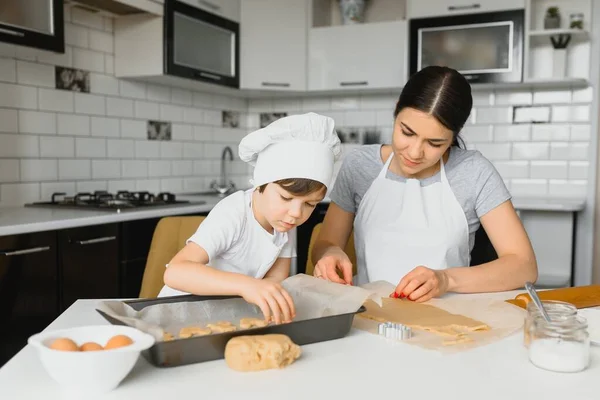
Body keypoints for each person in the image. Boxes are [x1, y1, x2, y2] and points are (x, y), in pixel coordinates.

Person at [310, 66, 538, 303]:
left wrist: (446, 280)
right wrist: (330, 253)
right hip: (370, 316)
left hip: (448, 320)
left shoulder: (473, 172)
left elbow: (524, 266)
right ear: (397, 110)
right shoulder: (359, 166)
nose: (415, 152)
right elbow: (325, 243)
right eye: (407, 132)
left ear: (453, 137)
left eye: (435, 143)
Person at [159, 112, 342, 324]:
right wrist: (247, 285)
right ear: (261, 183)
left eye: (310, 204)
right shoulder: (234, 213)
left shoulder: (284, 222)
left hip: (222, 317)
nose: (296, 213)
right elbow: (175, 272)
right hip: (177, 315)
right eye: (286, 197)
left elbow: (277, 279)